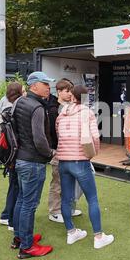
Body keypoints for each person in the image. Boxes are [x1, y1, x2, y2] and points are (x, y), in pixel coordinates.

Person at [57, 85, 114, 249]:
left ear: (72, 96)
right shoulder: (87, 113)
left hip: (63, 161)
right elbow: (95, 137)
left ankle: (71, 232)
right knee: (92, 199)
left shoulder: (61, 114)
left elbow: (58, 134)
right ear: (84, 98)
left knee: (66, 199)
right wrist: (93, 153)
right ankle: (98, 237)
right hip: (80, 161)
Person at [12, 71, 55, 259]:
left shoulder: (20, 102)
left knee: (22, 200)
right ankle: (27, 246)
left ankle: (20, 238)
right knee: (29, 204)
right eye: (45, 84)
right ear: (34, 85)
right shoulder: (37, 107)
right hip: (33, 162)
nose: (49, 87)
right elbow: (40, 139)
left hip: (21, 158)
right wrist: (50, 153)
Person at [48, 78, 83, 223]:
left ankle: (68, 208)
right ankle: (54, 211)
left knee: (70, 182)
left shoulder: (71, 106)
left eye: (71, 91)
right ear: (59, 91)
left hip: (71, 150)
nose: (70, 94)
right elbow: (52, 131)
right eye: (67, 91)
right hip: (58, 150)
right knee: (57, 182)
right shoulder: (53, 108)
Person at [0, 82, 25, 230]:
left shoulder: (5, 106)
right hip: (14, 154)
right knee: (16, 187)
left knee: (13, 186)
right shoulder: (13, 110)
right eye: (24, 90)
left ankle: (6, 215)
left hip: (8, 154)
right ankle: (11, 220)